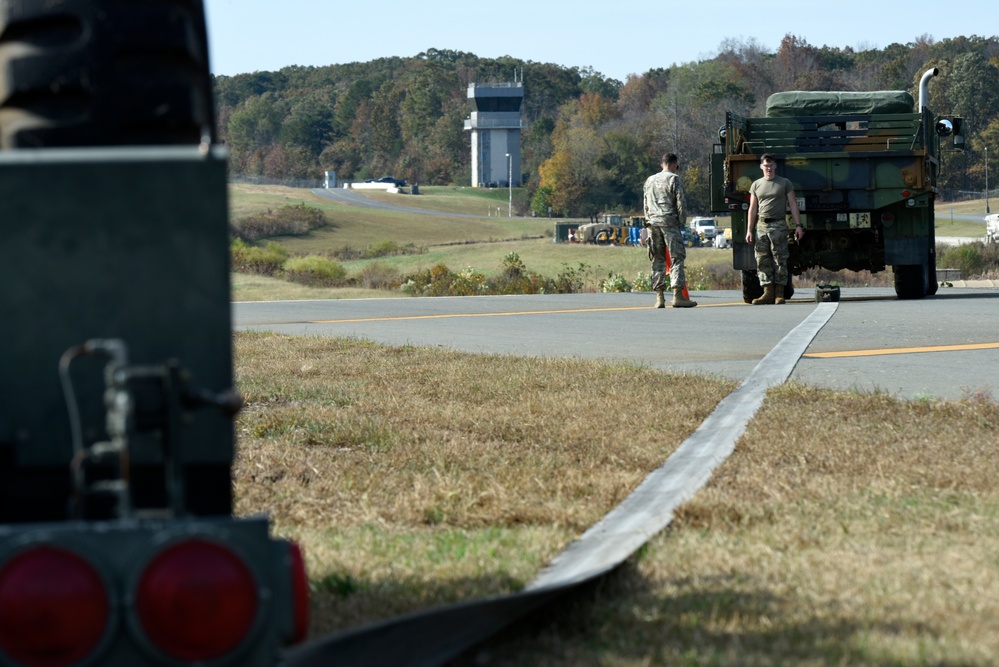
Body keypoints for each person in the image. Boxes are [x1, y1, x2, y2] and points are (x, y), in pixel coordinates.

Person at [746, 153, 804, 305]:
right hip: (761, 226)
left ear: (775, 166)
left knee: (780, 258)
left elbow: (793, 204)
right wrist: (749, 230)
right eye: (766, 165)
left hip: (778, 225)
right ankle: (767, 292)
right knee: (762, 259)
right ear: (761, 167)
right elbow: (752, 209)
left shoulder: (784, 183)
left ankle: (779, 293)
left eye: (771, 165)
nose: (769, 168)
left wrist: (798, 226)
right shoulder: (756, 185)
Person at [643, 153, 696, 308]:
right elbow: (681, 203)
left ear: (662, 164)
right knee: (676, 258)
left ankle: (659, 297)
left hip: (653, 223)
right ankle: (677, 295)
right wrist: (681, 222)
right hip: (670, 223)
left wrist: (649, 221)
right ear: (674, 165)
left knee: (658, 259)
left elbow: (645, 204)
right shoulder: (674, 179)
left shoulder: (650, 180)